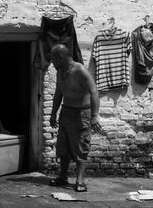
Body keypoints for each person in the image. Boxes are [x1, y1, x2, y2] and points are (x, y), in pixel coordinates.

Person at [49, 44, 101, 192]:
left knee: (80, 147)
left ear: (60, 57)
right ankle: (63, 177)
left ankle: (80, 181)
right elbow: (59, 93)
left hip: (81, 114)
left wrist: (95, 116)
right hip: (66, 112)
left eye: (53, 59)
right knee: (63, 147)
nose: (52, 63)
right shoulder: (60, 71)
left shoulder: (80, 71)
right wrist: (53, 113)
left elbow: (94, 92)